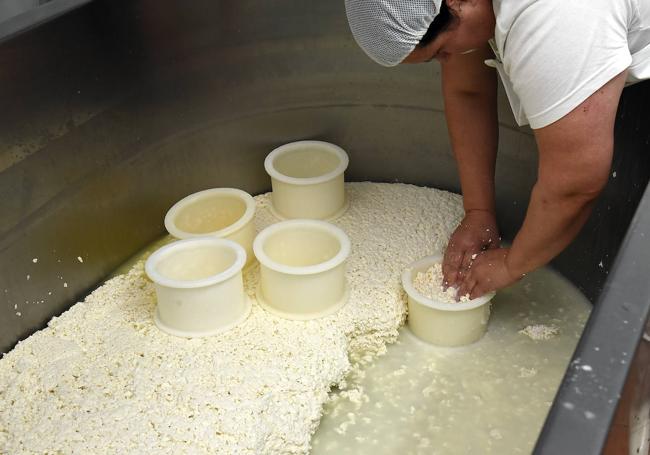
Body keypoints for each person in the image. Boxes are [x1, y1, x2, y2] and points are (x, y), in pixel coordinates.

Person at [345, 0, 650, 299]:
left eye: (440, 52)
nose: (447, 60)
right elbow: (468, 90)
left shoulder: (555, 18)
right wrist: (478, 211)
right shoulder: (464, 10)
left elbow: (575, 183)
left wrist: (512, 264)